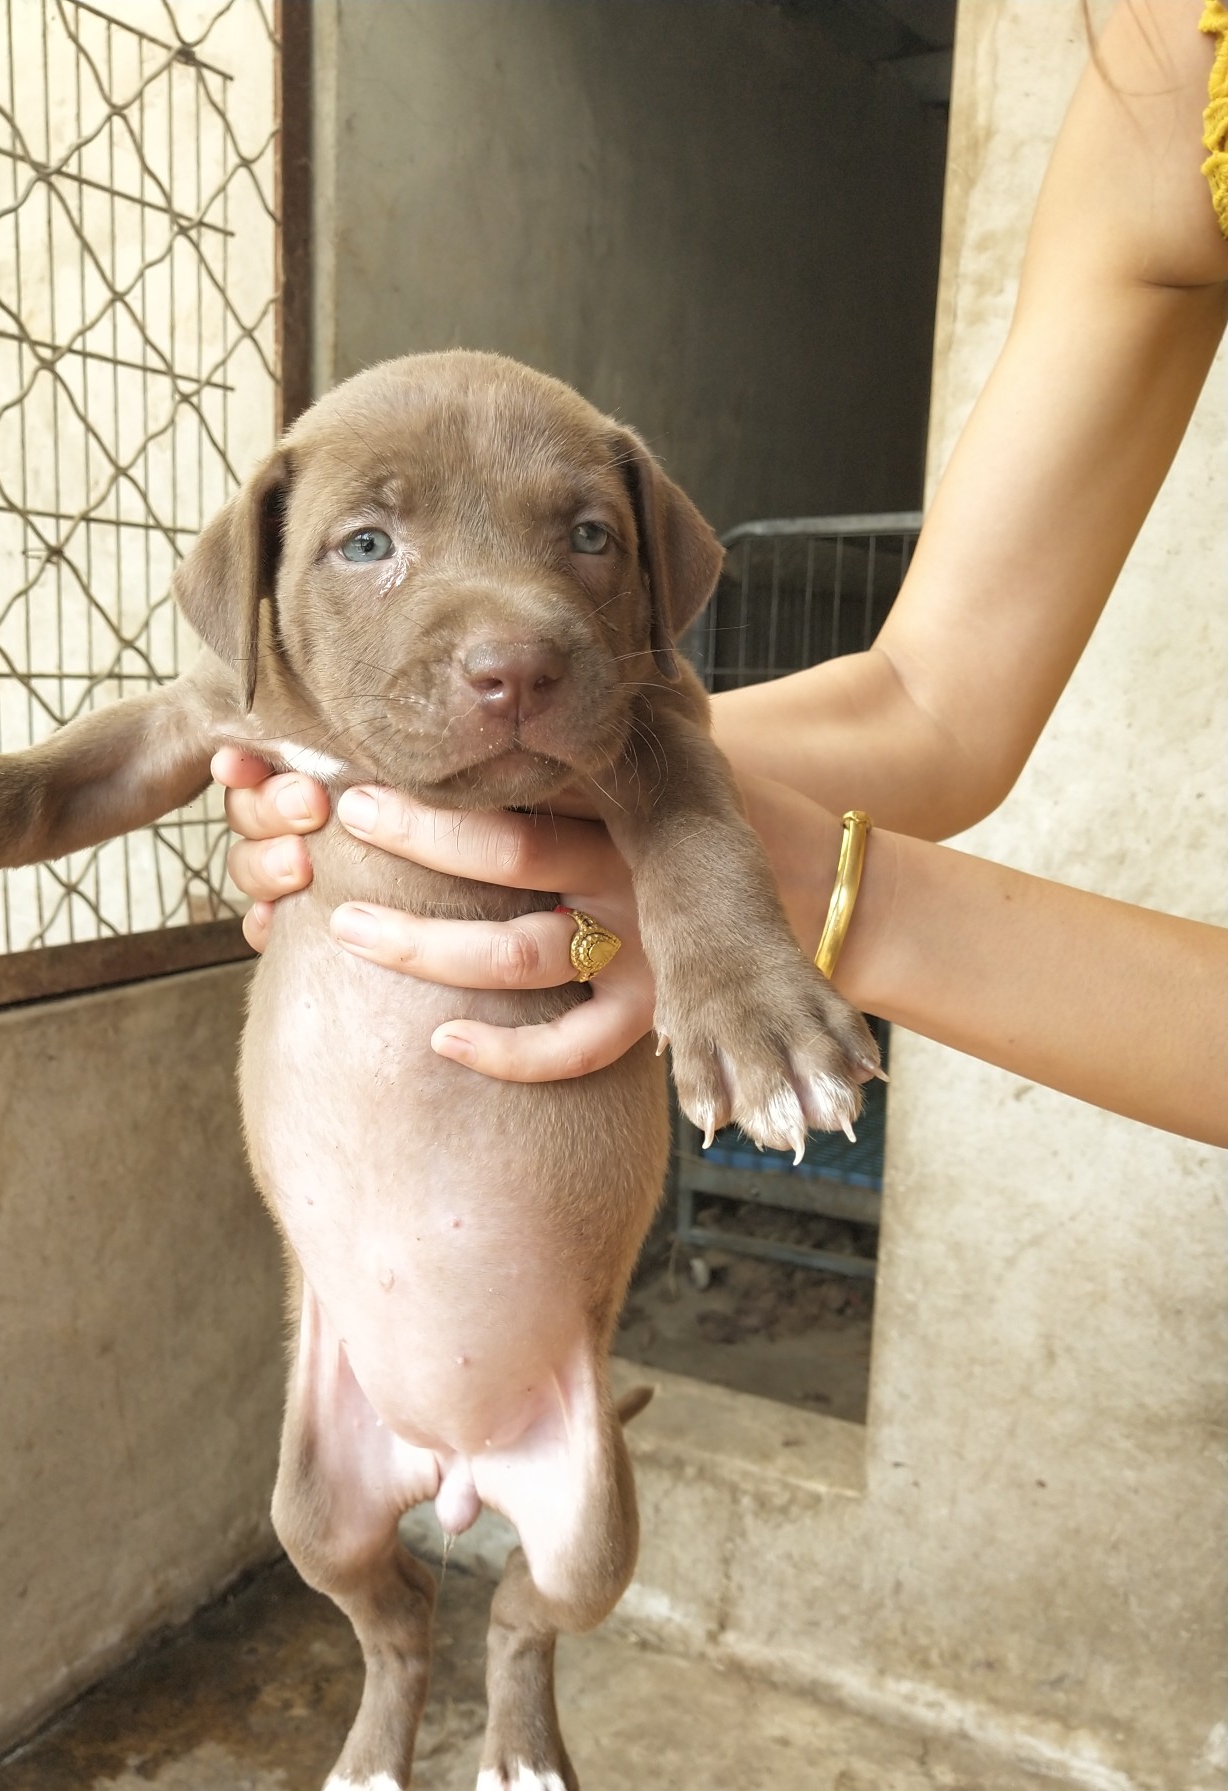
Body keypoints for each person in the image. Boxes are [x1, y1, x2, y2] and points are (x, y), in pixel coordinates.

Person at [214, 0, 1228, 1151]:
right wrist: (595, 803)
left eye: (586, 536)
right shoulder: (1164, 65)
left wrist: (806, 901)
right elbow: (929, 705)